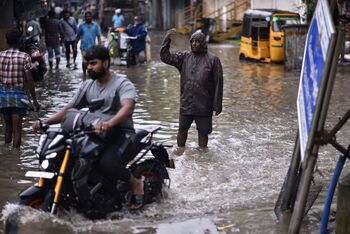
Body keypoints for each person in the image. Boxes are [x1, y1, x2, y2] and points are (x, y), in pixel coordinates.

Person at [31, 45, 144, 209]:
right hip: (95, 132)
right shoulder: (87, 86)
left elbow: (127, 108)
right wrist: (45, 122)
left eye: (93, 63)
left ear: (105, 63)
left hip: (120, 133)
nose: (89, 67)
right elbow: (69, 109)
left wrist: (109, 123)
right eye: (87, 64)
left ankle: (136, 184)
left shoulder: (122, 84)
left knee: (107, 163)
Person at [160, 29, 223, 148]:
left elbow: (218, 83)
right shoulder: (184, 57)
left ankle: (202, 158)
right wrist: (167, 40)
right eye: (192, 41)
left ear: (203, 43)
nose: (194, 43)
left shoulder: (213, 60)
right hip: (186, 104)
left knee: (203, 133)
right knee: (182, 130)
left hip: (204, 105)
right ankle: (180, 153)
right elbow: (166, 57)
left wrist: (217, 105)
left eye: (197, 41)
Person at [0, 28, 40, 148]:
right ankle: (16, 158)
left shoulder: (0, 56)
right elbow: (29, 80)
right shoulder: (24, 57)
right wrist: (35, 101)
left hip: (2, 95)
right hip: (18, 96)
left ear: (7, 42)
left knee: (8, 128)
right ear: (19, 42)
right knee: (17, 129)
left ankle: (8, 156)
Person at [75, 11, 101, 79]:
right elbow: (78, 36)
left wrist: (100, 46)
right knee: (84, 61)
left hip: (93, 47)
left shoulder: (95, 26)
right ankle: (84, 74)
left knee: (91, 61)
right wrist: (75, 45)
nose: (88, 18)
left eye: (89, 16)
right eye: (87, 16)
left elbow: (98, 36)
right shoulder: (81, 26)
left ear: (91, 17)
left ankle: (90, 74)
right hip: (84, 47)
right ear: (85, 17)